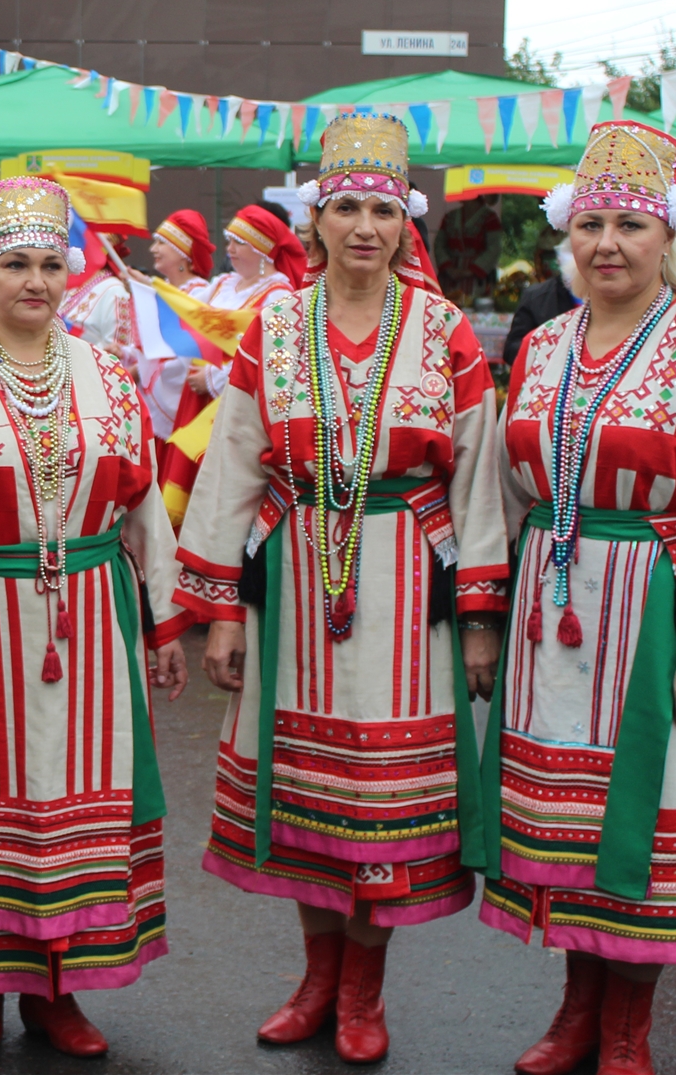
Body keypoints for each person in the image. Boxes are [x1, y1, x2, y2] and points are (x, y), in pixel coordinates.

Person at [177, 114, 508, 1066]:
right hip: (291, 574)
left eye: (382, 209)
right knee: (304, 790)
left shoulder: (444, 332)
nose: (364, 225)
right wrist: (222, 615)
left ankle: (363, 990)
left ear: (406, 224)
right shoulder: (274, 324)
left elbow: (479, 473)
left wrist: (479, 618)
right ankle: (315, 979)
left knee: (381, 799)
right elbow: (234, 461)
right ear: (315, 220)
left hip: (410, 579)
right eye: (345, 207)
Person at [481, 121, 676, 1075]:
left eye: (631, 227)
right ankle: (575, 1009)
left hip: (659, 610)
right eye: (591, 223)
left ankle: (626, 1030)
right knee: (569, 820)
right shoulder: (544, 343)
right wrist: (498, 606)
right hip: (554, 614)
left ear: (669, 241)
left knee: (644, 816)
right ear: (567, 234)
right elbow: (509, 484)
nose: (608, 243)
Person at [0, 177, 188, 1059]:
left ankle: (62, 987)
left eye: (52, 264)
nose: (37, 281)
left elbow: (144, 512)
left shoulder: (107, 377)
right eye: (16, 263)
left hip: (92, 616)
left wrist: (165, 621)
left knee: (78, 797)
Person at [157, 204, 305, 528]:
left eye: (239, 243)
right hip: (197, 397)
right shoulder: (223, 283)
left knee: (221, 482)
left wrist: (214, 378)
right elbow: (194, 322)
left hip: (231, 399)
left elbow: (273, 355)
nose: (231, 250)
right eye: (230, 241)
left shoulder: (279, 293)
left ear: (261, 249)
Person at [138, 208, 217, 440]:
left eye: (161, 243)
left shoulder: (199, 295)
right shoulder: (166, 291)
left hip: (182, 408)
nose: (153, 249)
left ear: (183, 251)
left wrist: (139, 367)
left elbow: (183, 355)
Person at [503, 241, 580, 373]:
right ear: (559, 260)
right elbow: (511, 349)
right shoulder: (535, 297)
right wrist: (547, 351)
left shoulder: (613, 296)